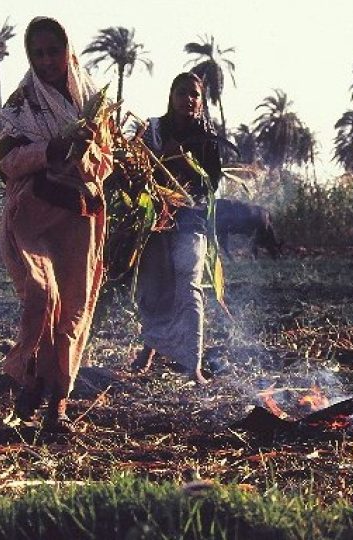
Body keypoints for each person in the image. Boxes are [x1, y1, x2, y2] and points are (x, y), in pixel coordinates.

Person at [0, 16, 113, 432]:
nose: (47, 60)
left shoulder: (92, 101)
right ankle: (30, 379)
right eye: (38, 53)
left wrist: (83, 157)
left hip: (79, 214)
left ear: (68, 50)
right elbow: (7, 161)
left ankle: (57, 404)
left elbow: (106, 160)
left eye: (54, 51)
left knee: (74, 308)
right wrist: (51, 150)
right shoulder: (21, 104)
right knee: (41, 294)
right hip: (33, 213)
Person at [131, 72, 222, 384]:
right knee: (156, 286)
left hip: (191, 221)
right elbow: (138, 169)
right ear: (171, 95)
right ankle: (149, 348)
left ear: (201, 100)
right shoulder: (153, 130)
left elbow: (211, 184)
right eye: (182, 92)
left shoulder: (208, 139)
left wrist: (181, 160)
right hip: (156, 219)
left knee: (188, 287)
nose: (189, 99)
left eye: (195, 94)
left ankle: (193, 363)